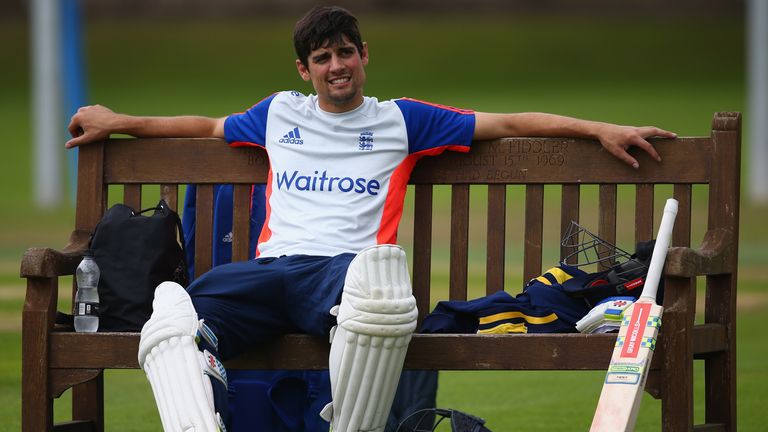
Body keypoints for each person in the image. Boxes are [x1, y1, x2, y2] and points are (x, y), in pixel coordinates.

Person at [66, 6, 675, 432]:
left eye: (347, 53)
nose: (338, 66)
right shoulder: (278, 114)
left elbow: (510, 122)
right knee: (175, 318)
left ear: (364, 56)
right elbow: (202, 128)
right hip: (269, 271)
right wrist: (117, 120)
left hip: (342, 274)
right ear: (304, 70)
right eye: (323, 57)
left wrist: (600, 128)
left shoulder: (401, 121)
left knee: (375, 303)